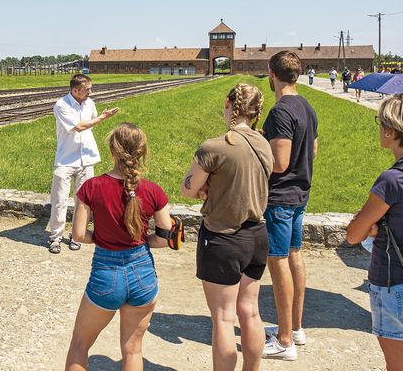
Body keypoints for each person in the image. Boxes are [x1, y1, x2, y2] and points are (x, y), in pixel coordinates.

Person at [65, 123, 175, 371]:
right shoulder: (154, 191)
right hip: (143, 274)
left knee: (79, 345)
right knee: (133, 349)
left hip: (106, 272)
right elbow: (164, 238)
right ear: (142, 151)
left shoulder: (91, 187)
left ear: (112, 150)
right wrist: (142, 241)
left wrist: (101, 238)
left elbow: (78, 234)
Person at [180, 84, 273, 371]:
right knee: (251, 312)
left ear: (228, 104)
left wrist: (204, 186)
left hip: (223, 238)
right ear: (257, 112)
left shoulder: (215, 147)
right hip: (257, 236)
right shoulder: (264, 144)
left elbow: (188, 188)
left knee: (223, 317)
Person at [346, 94, 403, 370]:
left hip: (396, 285)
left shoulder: (393, 180)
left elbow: (354, 234)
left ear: (391, 130)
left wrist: (371, 229)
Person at [262, 51, 318, 361]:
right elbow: (313, 150)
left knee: (278, 261)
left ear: (272, 73)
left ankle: (284, 341)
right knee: (294, 255)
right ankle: (295, 328)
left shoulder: (280, 111)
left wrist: (255, 155)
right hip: (299, 194)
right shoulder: (307, 106)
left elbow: (279, 162)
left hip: (280, 197)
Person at [49, 74, 119, 254]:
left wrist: (98, 118)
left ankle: (76, 236)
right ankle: (55, 237)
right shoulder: (61, 105)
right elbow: (79, 127)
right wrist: (103, 117)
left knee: (83, 201)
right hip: (65, 159)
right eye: (87, 89)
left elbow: (90, 124)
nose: (90, 92)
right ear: (75, 90)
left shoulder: (90, 103)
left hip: (86, 159)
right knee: (59, 200)